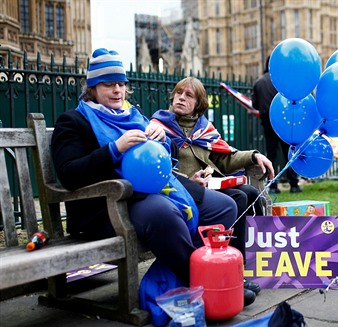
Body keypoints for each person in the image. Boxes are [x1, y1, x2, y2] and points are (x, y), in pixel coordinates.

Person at [51, 48, 256, 306]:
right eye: (108, 84)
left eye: (121, 84)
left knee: (224, 206)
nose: (117, 90)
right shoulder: (73, 121)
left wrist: (164, 142)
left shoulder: (134, 117)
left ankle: (192, 269)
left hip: (155, 190)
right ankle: (206, 282)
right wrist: (115, 149)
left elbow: (162, 160)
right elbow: (69, 174)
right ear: (92, 88)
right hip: (110, 206)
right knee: (164, 213)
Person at [150, 77, 273, 295]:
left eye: (188, 95)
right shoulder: (159, 126)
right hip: (182, 190)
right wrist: (190, 181)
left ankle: (239, 267)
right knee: (239, 198)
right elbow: (159, 167)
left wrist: (254, 156)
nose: (181, 97)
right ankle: (228, 270)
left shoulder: (203, 129)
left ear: (198, 104)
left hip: (209, 185)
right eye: (179, 93)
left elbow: (224, 159)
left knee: (250, 192)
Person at [252, 56, 302, 194]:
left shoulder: (259, 82)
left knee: (271, 154)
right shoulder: (281, 81)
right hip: (284, 122)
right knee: (288, 153)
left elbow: (254, 104)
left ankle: (272, 185)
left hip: (267, 122)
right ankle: (294, 184)